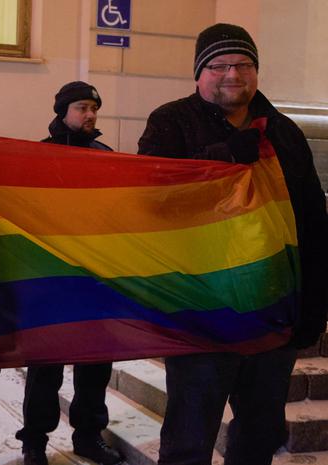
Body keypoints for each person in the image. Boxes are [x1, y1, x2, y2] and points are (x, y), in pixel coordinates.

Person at [138, 23, 328, 465]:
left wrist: (315, 306)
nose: (232, 74)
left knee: (260, 435)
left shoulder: (283, 132)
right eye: (218, 64)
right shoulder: (171, 121)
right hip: (200, 311)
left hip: (271, 309)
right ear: (199, 73)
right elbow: (150, 196)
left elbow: (313, 223)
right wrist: (222, 158)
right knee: (189, 437)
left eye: (243, 64)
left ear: (256, 71)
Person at [15, 81, 123, 465]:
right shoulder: (38, 157)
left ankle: (88, 436)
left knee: (95, 364)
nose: (90, 114)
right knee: (46, 367)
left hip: (94, 278)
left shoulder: (106, 156)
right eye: (82, 107)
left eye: (94, 107)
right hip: (51, 281)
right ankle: (35, 443)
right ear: (63, 111)